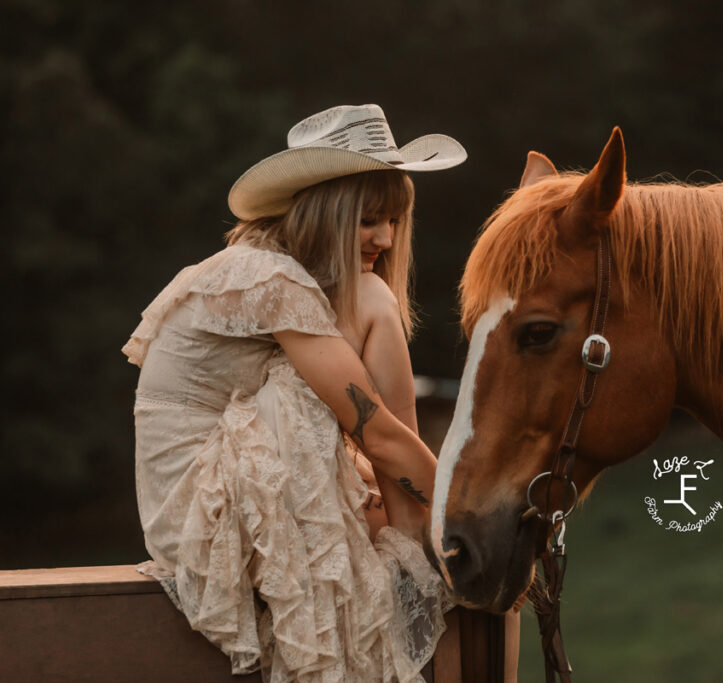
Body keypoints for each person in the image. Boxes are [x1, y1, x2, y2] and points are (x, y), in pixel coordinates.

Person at [123, 104, 467, 682]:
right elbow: (381, 431)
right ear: (326, 212)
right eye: (368, 221)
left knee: (381, 501)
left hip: (220, 474)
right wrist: (467, 512)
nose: (384, 238)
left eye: (392, 222)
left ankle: (415, 526)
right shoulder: (268, 277)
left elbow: (388, 435)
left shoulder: (277, 271)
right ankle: (422, 530)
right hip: (198, 493)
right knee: (375, 303)